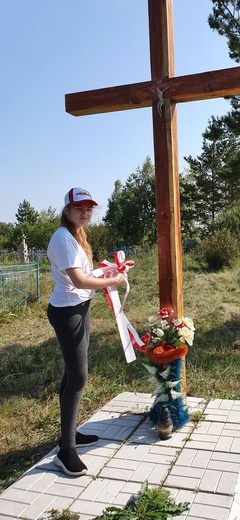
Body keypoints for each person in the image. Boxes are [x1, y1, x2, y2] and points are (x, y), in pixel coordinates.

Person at [47, 187, 126, 477]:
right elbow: (79, 281)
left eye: (89, 208)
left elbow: (84, 275)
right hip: (68, 312)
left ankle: (68, 435)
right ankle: (66, 451)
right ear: (67, 210)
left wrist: (106, 272)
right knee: (78, 377)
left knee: (71, 375)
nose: (85, 212)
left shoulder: (76, 236)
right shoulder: (63, 238)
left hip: (78, 309)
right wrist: (113, 280)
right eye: (79, 207)